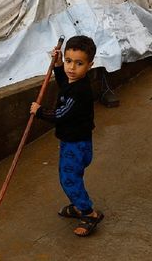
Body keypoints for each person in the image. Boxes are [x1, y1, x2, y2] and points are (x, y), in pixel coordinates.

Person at [30, 35, 103, 237]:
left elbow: (61, 115)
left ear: (90, 65)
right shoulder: (73, 81)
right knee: (70, 177)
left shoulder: (80, 91)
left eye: (78, 63)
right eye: (69, 61)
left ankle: (89, 213)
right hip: (71, 141)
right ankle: (79, 205)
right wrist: (58, 64)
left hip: (77, 145)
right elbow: (64, 82)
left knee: (69, 179)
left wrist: (40, 111)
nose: (71, 68)